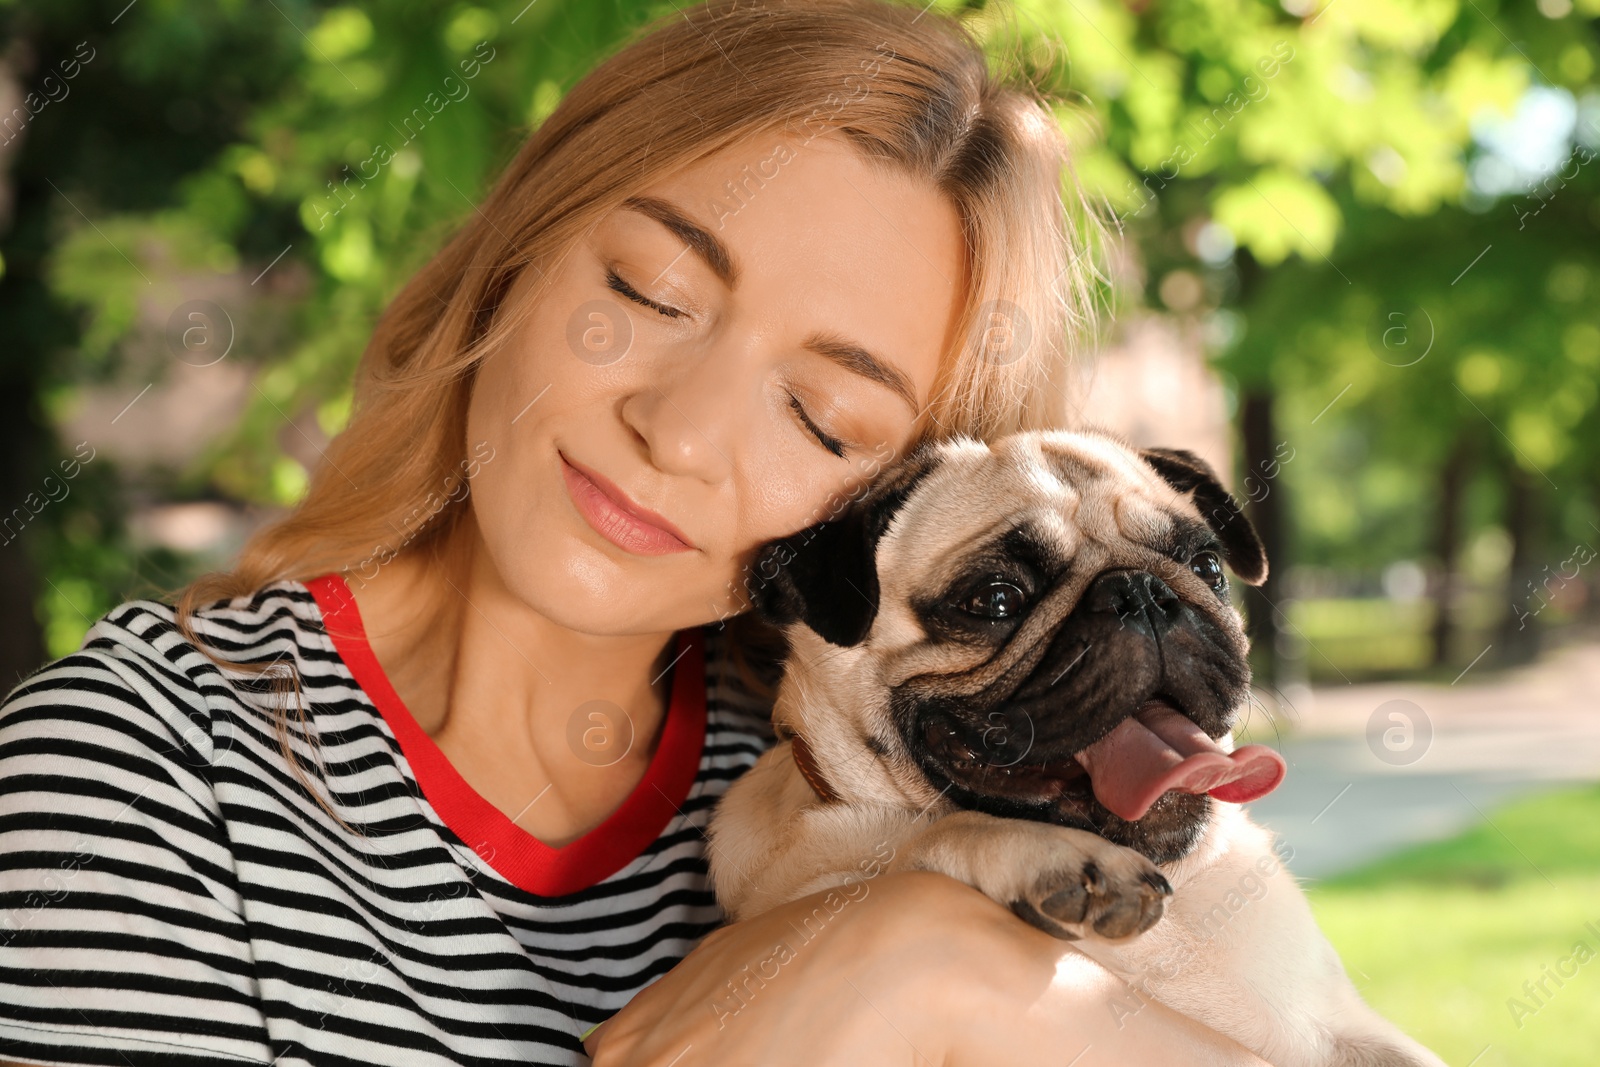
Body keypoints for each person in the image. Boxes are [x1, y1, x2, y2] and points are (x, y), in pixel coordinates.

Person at [0, 0, 1272, 1064]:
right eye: (648, 293)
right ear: (516, 250)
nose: (681, 428)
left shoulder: (897, 790)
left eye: (821, 418)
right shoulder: (125, 791)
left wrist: (942, 970)